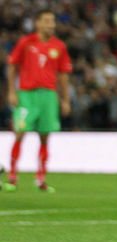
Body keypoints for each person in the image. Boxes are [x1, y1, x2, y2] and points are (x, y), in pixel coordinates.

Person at [5, 10, 72, 193]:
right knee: (20, 131)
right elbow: (12, 66)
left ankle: (41, 178)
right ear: (38, 23)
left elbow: (63, 75)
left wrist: (65, 100)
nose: (51, 25)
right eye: (47, 21)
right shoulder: (26, 42)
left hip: (49, 96)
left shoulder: (59, 46)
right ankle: (12, 176)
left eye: (52, 21)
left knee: (45, 137)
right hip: (27, 94)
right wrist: (12, 91)